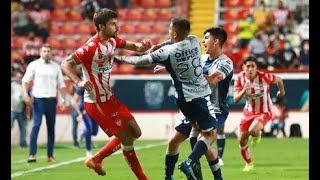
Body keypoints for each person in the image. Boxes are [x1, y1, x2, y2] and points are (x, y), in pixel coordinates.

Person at [115, 18, 223, 180]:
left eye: (170, 30)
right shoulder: (194, 41)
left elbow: (141, 60)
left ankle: (168, 176)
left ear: (173, 33)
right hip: (200, 97)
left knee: (176, 140)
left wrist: (119, 58)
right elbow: (178, 40)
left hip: (183, 101)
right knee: (211, 135)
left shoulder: (167, 52)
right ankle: (191, 162)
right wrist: (162, 45)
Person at [61, 8, 151, 179]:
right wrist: (78, 81)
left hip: (110, 99)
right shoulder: (90, 47)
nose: (117, 27)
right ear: (101, 26)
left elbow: (135, 47)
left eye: (116, 23)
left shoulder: (112, 41)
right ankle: (142, 177)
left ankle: (96, 159)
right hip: (96, 102)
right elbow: (65, 63)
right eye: (112, 24)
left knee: (135, 132)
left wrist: (143, 46)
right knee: (126, 137)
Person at [153, 26, 233, 179]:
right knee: (175, 141)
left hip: (214, 108)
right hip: (195, 105)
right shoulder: (201, 59)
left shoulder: (225, 62)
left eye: (207, 38)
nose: (203, 42)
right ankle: (169, 176)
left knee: (203, 137)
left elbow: (212, 79)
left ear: (216, 41)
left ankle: (200, 169)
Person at [233, 56, 285, 171]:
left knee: (253, 130)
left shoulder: (264, 76)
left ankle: (257, 134)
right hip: (248, 112)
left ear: (256, 68)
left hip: (264, 111)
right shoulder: (239, 78)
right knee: (241, 140)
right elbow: (235, 99)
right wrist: (243, 90)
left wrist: (281, 91)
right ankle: (249, 164)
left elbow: (279, 80)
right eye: (248, 66)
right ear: (243, 67)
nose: (250, 69)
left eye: (253, 66)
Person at [22, 44, 66, 163]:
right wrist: (25, 94)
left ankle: (50, 155)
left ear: (51, 53)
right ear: (41, 52)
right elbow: (25, 81)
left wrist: (63, 100)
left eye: (48, 51)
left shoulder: (56, 67)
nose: (47, 53)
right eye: (44, 51)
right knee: (36, 125)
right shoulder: (34, 65)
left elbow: (61, 84)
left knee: (51, 128)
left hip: (52, 100)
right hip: (38, 100)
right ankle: (32, 154)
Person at [71, 85, 99, 157]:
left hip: (95, 111)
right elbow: (73, 101)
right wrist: (79, 113)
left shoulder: (99, 85)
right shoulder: (83, 86)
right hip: (85, 110)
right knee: (89, 129)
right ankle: (88, 151)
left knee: (94, 132)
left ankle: (84, 133)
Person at [11, 70, 27, 148]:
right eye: (18, 76)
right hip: (12, 109)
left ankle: (22, 144)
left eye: (20, 77)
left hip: (21, 110)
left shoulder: (23, 86)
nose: (19, 78)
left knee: (23, 128)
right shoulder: (12, 85)